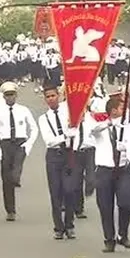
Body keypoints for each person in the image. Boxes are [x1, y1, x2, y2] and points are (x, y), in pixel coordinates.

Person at [91, 97, 130, 253]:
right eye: (121, 108)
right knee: (105, 206)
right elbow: (93, 131)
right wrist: (109, 124)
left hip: (123, 169)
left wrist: (125, 147)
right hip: (105, 170)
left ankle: (123, 235)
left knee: (126, 202)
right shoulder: (101, 128)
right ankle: (109, 239)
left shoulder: (128, 127)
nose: (124, 110)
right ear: (113, 110)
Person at [0, 81, 37, 221]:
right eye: (7, 95)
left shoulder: (23, 110)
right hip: (5, 143)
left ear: (16, 95)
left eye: (12, 94)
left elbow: (34, 128)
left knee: (16, 169)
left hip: (20, 142)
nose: (10, 97)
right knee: (6, 178)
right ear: (3, 96)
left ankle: (16, 177)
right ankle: (10, 210)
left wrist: (29, 144)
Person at [38, 86, 79, 239]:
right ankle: (58, 227)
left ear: (59, 96)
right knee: (55, 192)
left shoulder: (67, 112)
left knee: (69, 190)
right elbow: (49, 141)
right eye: (48, 97)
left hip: (69, 154)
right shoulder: (43, 118)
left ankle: (70, 225)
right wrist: (66, 135)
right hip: (54, 155)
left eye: (53, 95)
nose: (51, 99)